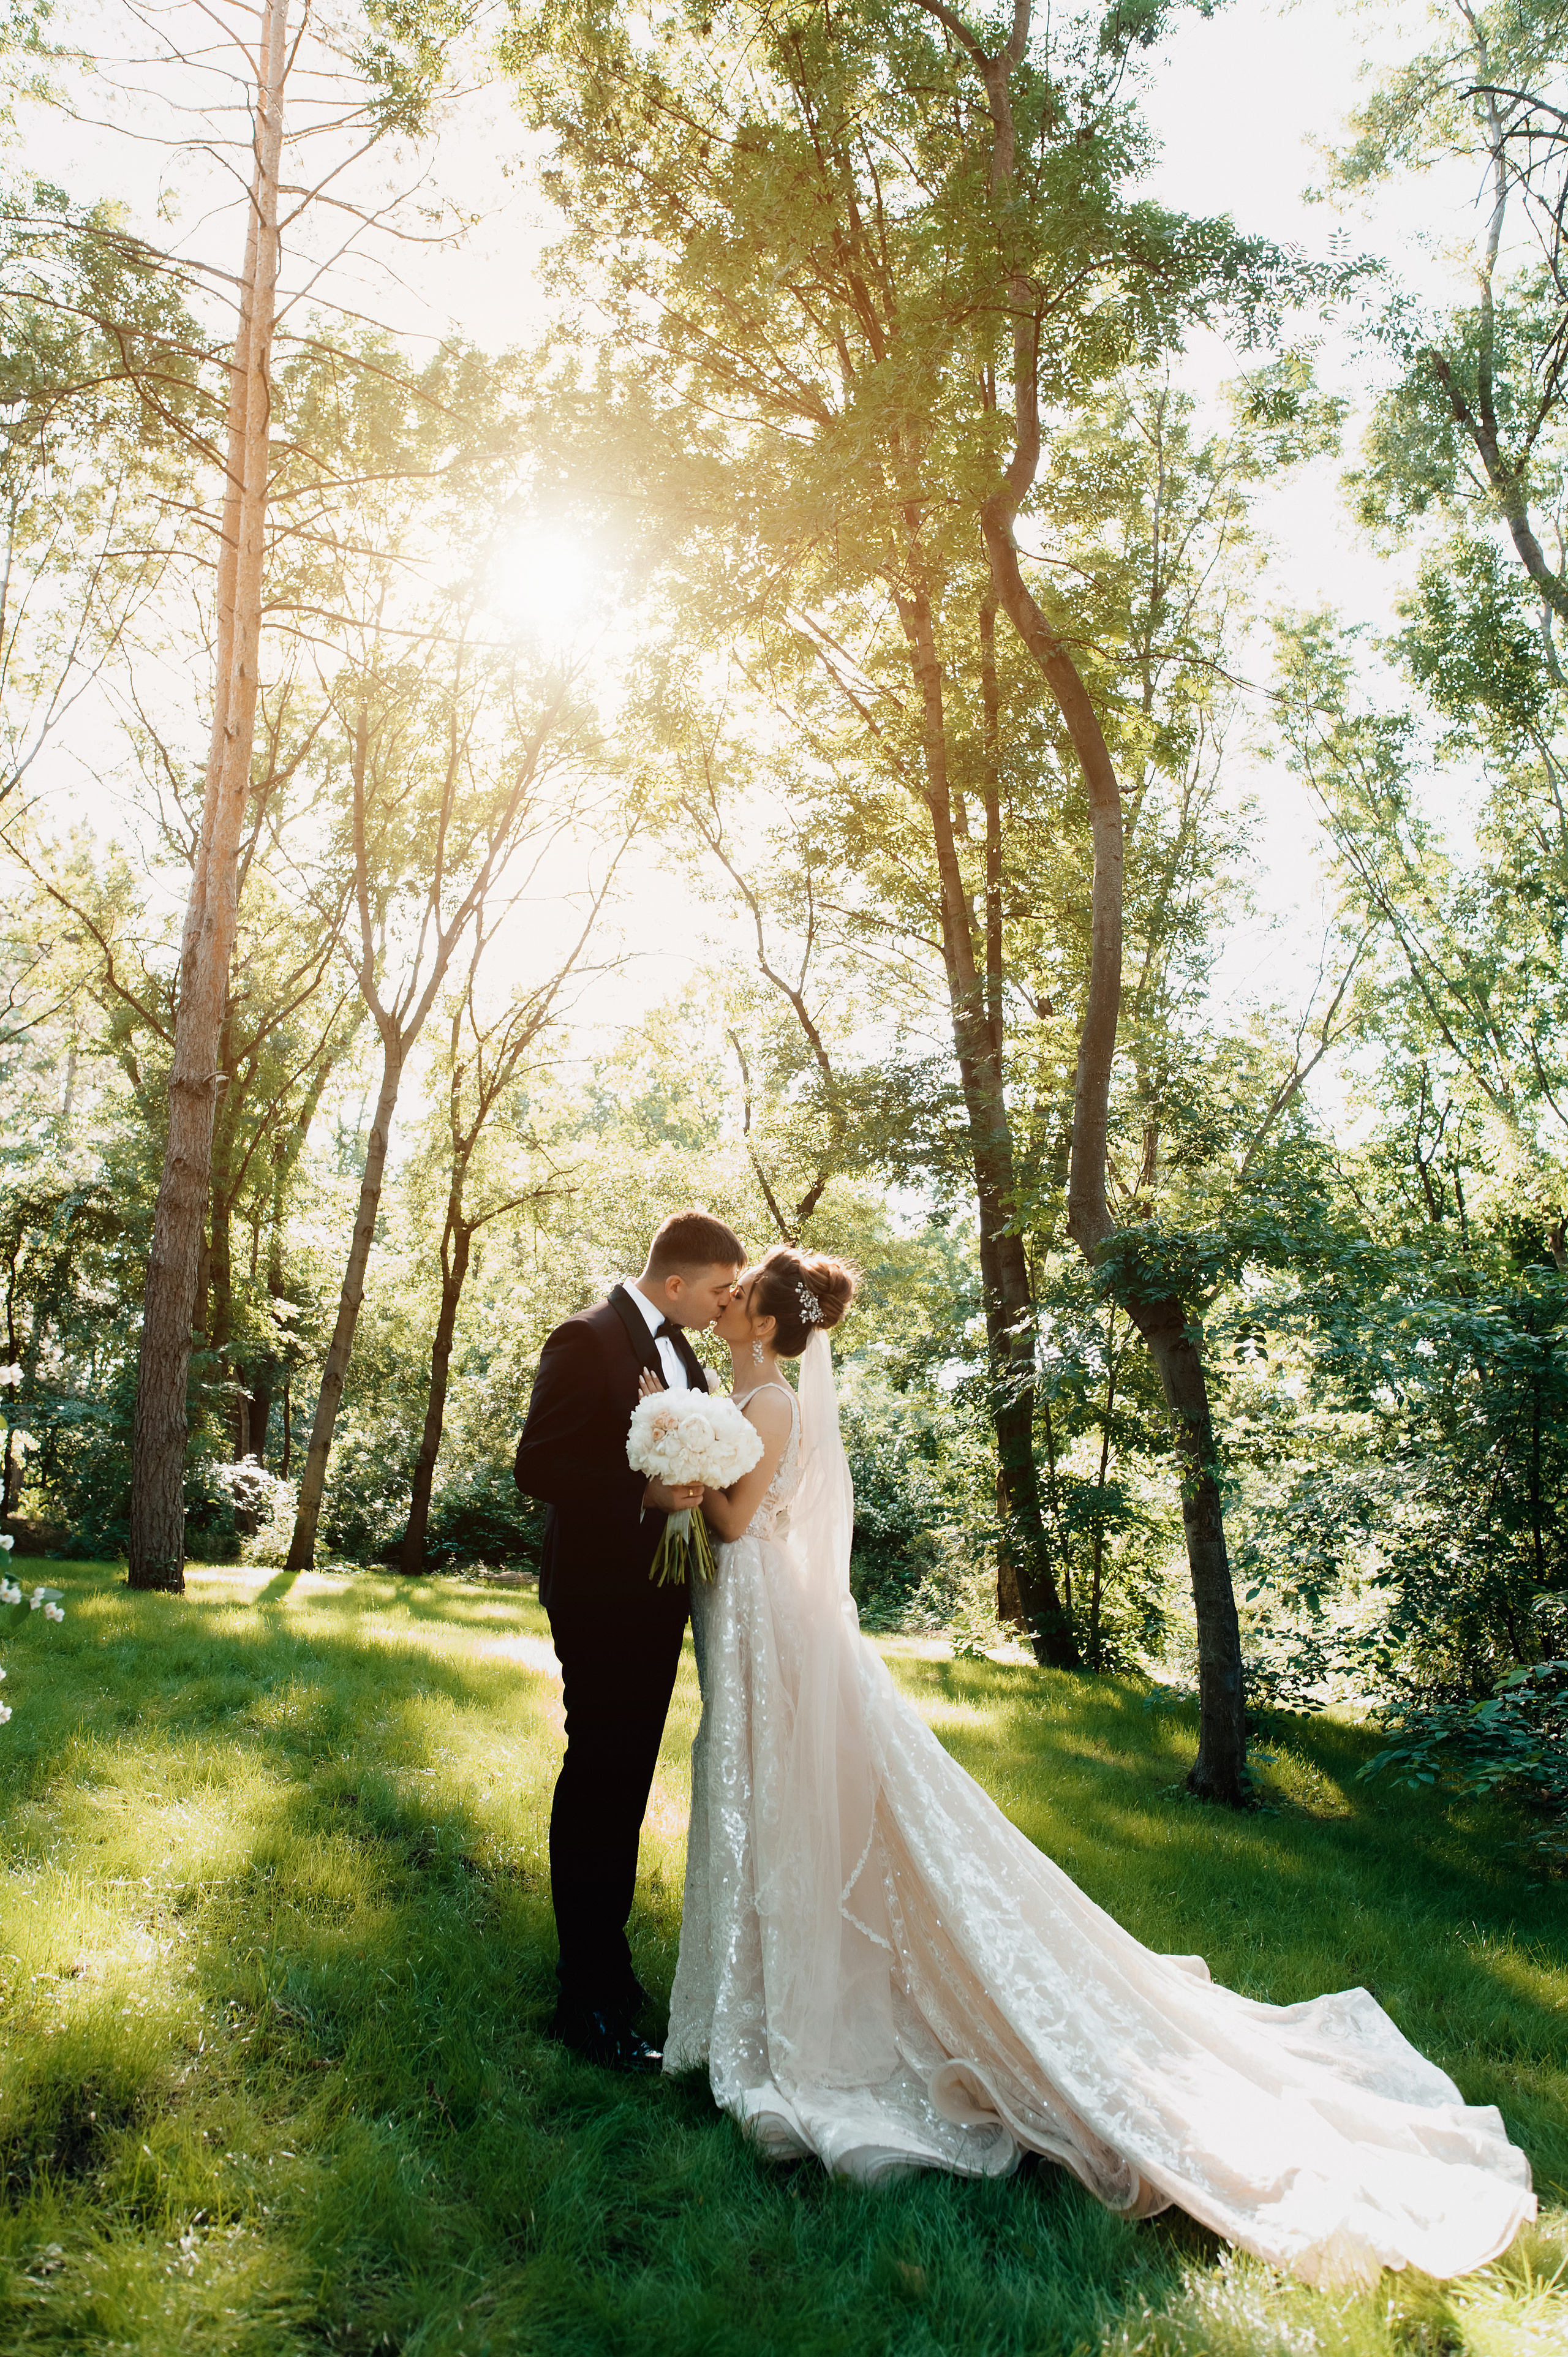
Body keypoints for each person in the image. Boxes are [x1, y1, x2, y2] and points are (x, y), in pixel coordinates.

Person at [663, 1243, 1537, 2290]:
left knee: (804, 1807)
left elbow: (738, 1519)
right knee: (773, 1803)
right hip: (763, 1624)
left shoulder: (766, 1412)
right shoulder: (752, 1394)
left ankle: (807, 2014)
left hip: (774, 1630)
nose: (722, 1307)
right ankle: (760, 1988)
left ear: (762, 1322)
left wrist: (676, 1478)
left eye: (738, 1298)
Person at [514, 1208, 744, 2070]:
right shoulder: (587, 1339)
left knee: (626, 1783)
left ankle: (610, 1972)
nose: (726, 1305)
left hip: (656, 1602)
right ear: (675, 1282)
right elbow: (536, 1465)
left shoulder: (681, 1350)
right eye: (719, 1290)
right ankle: (586, 1999)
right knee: (601, 1783)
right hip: (600, 1598)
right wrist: (640, 1495)